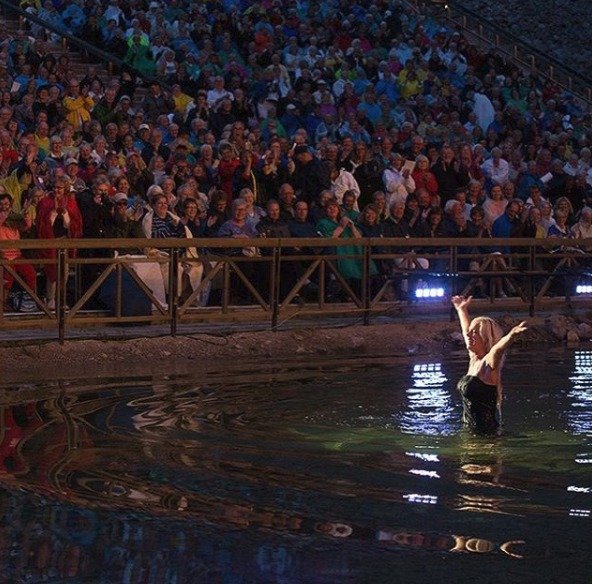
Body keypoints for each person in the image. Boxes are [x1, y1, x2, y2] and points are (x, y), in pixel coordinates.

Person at [451, 295, 528, 434]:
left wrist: (510, 336)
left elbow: (497, 350)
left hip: (487, 435)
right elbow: (466, 332)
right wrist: (461, 310)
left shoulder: (489, 365)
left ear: (485, 339)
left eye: (475, 333)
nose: (469, 335)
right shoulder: (474, 359)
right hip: (469, 430)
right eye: (470, 332)